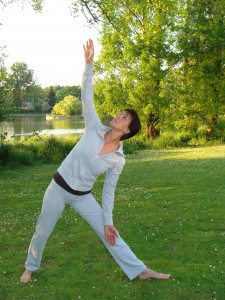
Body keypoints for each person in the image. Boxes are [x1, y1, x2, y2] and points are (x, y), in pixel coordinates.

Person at [20, 39, 171, 283]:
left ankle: (141, 271)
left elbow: (109, 191)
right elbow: (86, 96)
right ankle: (30, 267)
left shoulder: (118, 159)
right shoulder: (93, 127)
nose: (118, 116)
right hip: (58, 188)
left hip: (83, 196)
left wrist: (108, 221)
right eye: (121, 113)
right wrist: (89, 65)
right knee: (43, 228)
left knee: (109, 233)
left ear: (128, 131)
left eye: (124, 118)